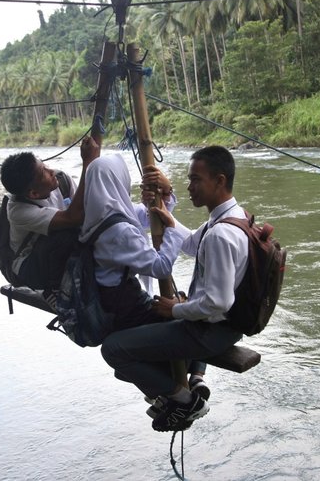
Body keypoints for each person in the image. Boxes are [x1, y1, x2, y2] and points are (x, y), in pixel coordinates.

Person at [101, 146, 249, 433]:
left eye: (196, 180)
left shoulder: (220, 234)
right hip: (223, 325)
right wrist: (169, 218)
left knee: (114, 350)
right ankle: (190, 381)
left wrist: (174, 309)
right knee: (129, 358)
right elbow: (194, 244)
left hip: (210, 332)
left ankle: (184, 401)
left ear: (219, 180)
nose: (189, 187)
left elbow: (217, 303)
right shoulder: (230, 217)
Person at [79, 153, 186, 331]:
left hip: (107, 299)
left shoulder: (95, 212)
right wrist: (173, 229)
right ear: (118, 180)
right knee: (181, 319)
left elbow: (147, 217)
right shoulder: (119, 231)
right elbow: (161, 267)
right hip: (124, 308)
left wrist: (165, 193)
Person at [0, 136, 99, 292]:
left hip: (54, 256)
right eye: (43, 172)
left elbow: (88, 206)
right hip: (29, 266)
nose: (51, 171)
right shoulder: (17, 211)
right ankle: (54, 290)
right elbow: (74, 217)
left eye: (44, 165)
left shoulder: (61, 180)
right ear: (33, 193)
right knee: (66, 234)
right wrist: (89, 163)